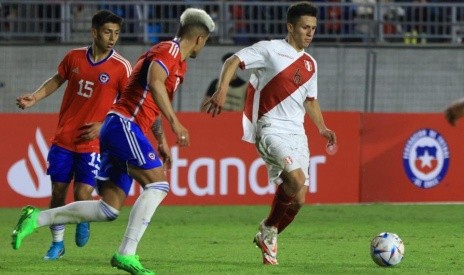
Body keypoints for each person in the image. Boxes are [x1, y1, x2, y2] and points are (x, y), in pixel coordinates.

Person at [12, 7, 215, 275]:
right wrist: (176, 122)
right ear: (201, 39)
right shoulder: (170, 52)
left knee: (108, 208)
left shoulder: (178, 62)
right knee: (159, 184)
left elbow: (151, 101)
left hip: (120, 128)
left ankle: (36, 218)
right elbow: (155, 83)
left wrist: (162, 139)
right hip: (123, 124)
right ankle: (126, 253)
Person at [204, 1, 336, 265]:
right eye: (304, 28)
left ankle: (268, 233)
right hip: (269, 127)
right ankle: (267, 232)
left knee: (298, 200)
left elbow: (310, 100)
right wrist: (221, 89)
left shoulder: (311, 64)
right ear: (290, 27)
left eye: (313, 28)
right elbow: (233, 60)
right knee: (295, 180)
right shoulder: (270, 49)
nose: (310, 33)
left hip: (297, 133)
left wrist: (322, 127)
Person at [15, 10, 131, 261]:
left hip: (93, 142)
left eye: (117, 33)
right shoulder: (74, 57)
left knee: (82, 194)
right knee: (57, 191)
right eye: (108, 32)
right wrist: (35, 97)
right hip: (64, 138)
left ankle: (84, 218)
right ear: (94, 32)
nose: (113, 38)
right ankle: (57, 244)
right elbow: (58, 79)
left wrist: (104, 125)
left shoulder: (121, 67)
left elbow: (128, 104)